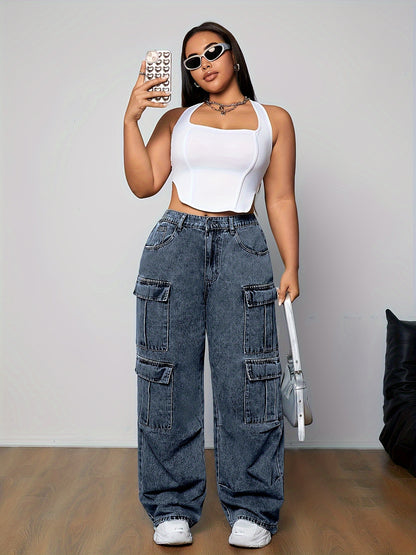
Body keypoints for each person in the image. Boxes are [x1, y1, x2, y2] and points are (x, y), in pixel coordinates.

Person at [123, 21, 299, 549]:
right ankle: (171, 506)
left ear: (235, 55)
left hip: (243, 246)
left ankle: (252, 508)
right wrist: (132, 118)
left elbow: (281, 198)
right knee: (166, 376)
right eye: (193, 61)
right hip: (174, 243)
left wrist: (292, 265)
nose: (204, 65)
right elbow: (143, 184)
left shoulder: (275, 120)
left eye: (213, 52)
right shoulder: (176, 119)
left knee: (248, 378)